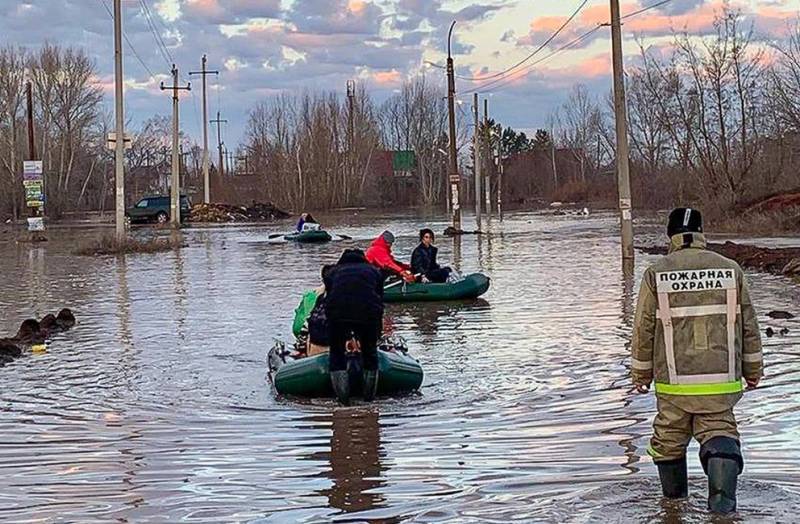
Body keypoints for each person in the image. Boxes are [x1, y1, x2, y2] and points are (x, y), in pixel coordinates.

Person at [631, 207, 763, 514]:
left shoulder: (657, 273)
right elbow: (749, 326)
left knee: (668, 442)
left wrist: (641, 374)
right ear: (702, 233)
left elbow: (643, 328)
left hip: (674, 385)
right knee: (721, 435)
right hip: (720, 382)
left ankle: (674, 509)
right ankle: (723, 511)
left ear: (671, 235)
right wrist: (753, 370)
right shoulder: (730, 270)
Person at [325, 249, 384, 404]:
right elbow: (379, 299)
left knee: (337, 354)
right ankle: (369, 400)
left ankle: (343, 401)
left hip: (338, 314)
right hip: (368, 313)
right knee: (370, 353)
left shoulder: (333, 272)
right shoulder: (374, 272)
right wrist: (378, 331)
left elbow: (330, 296)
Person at [292, 265, 334, 357]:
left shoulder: (317, 300)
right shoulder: (347, 304)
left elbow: (302, 328)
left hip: (314, 353)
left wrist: (301, 348)